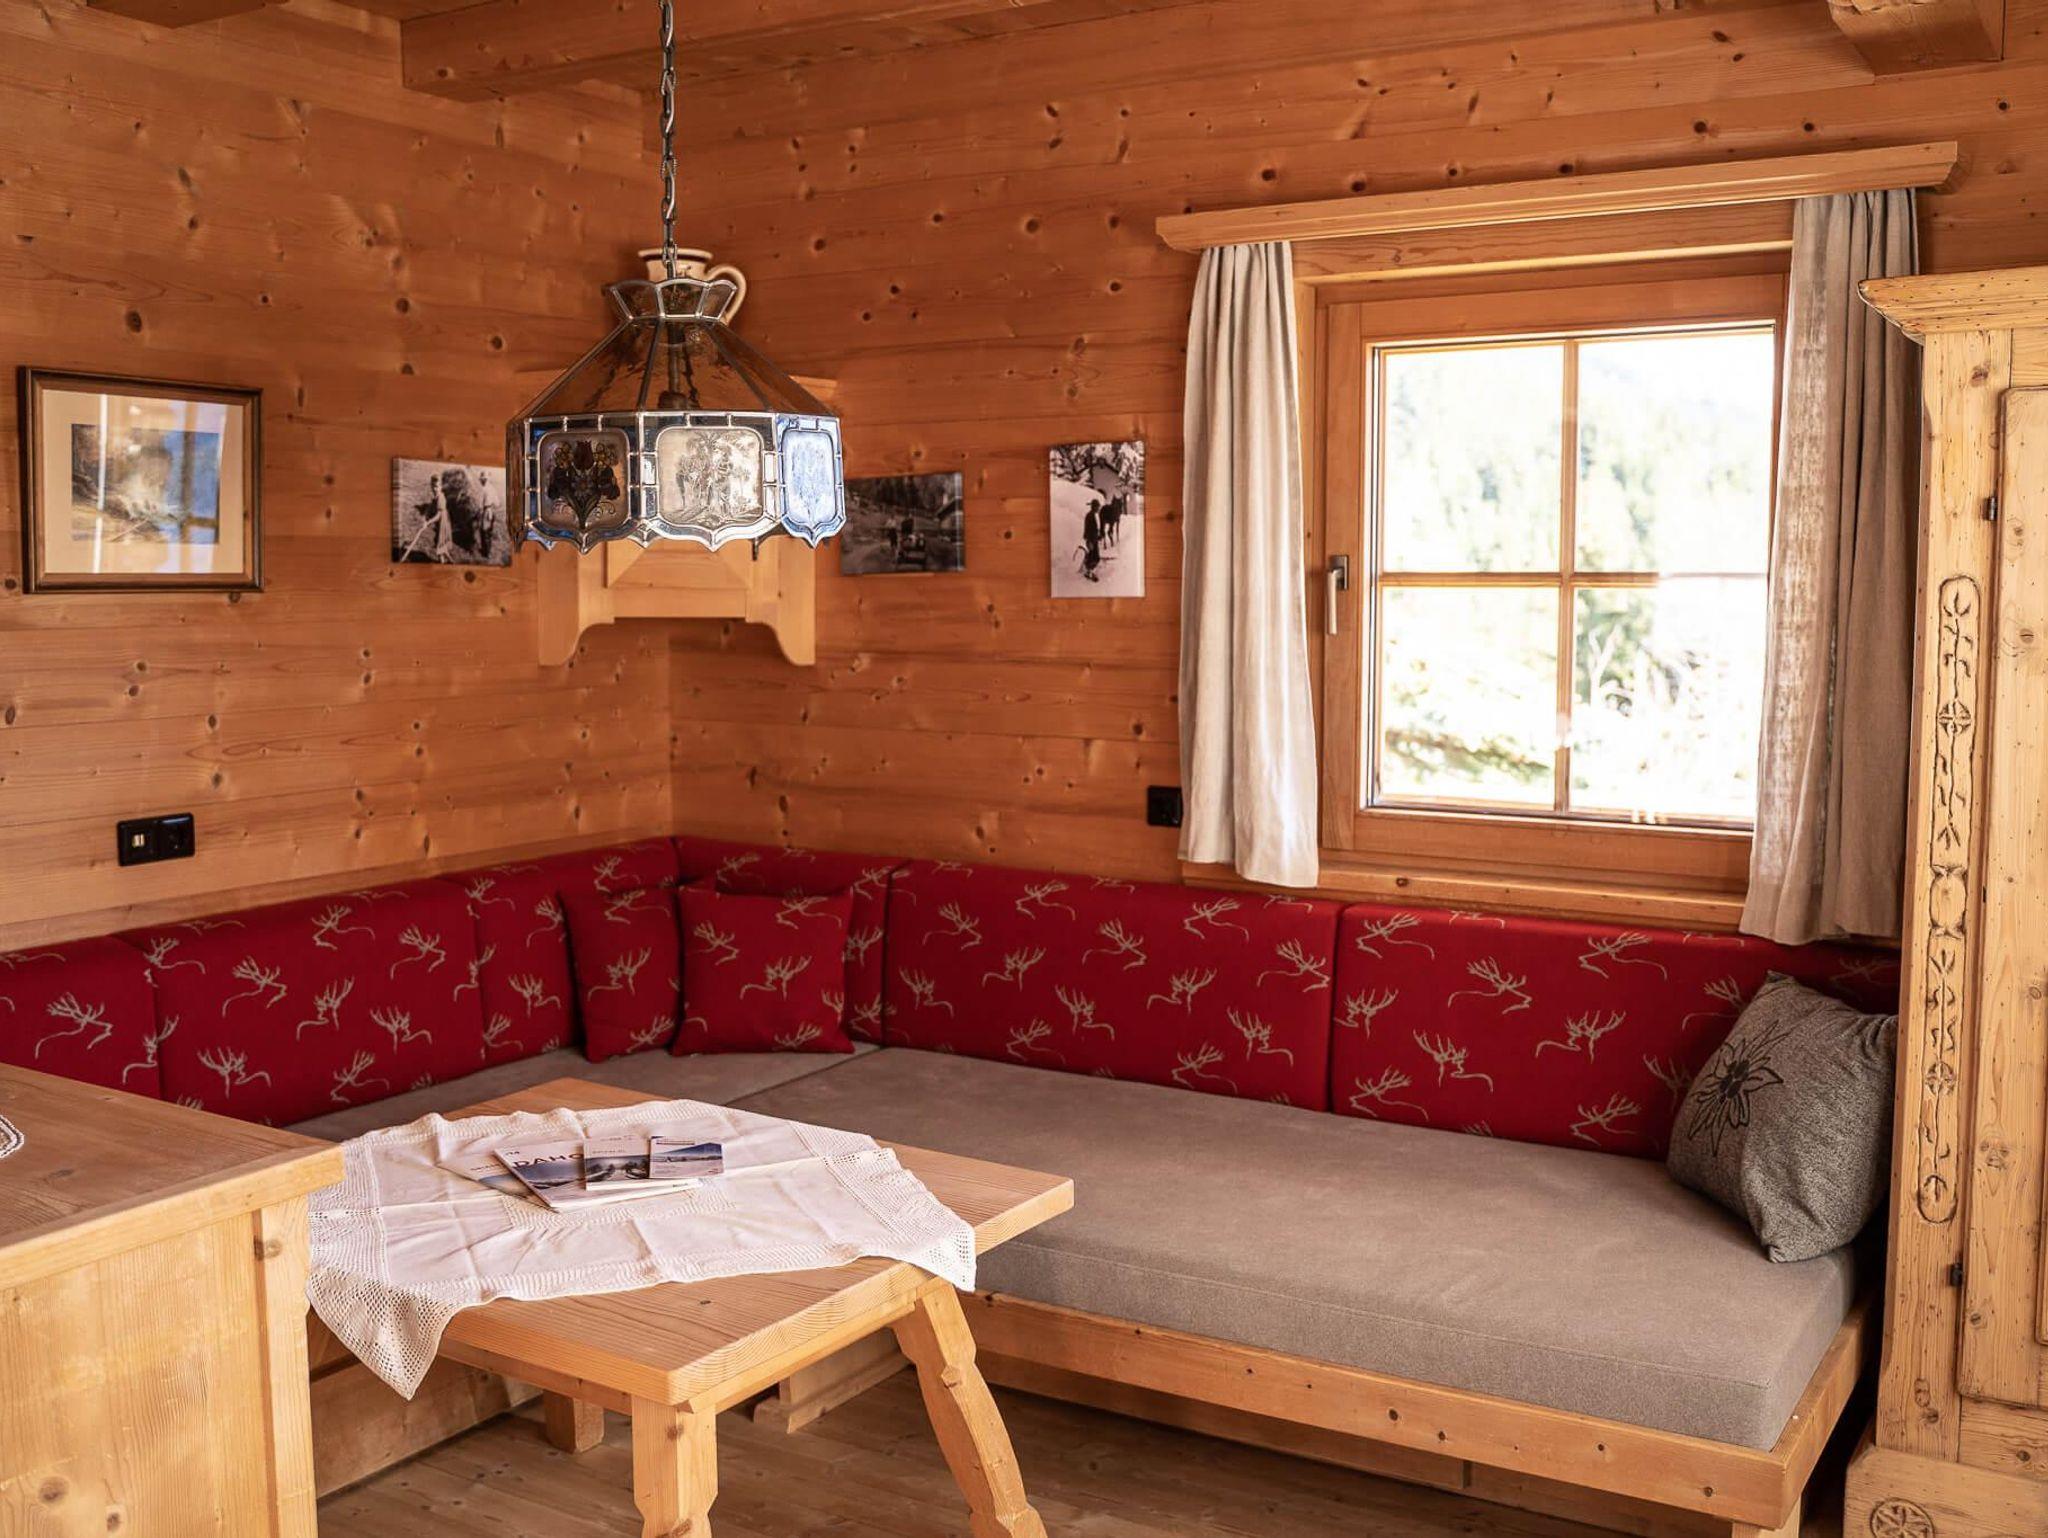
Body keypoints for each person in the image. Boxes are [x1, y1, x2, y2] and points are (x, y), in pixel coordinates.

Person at [1081, 496, 1103, 582]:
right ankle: (1089, 572)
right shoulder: (1089, 516)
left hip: (1093, 539)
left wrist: (1098, 536)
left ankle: (1089, 571)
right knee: (1095, 557)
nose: (1098, 508)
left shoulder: (1092, 515)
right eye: (1097, 506)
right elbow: (1088, 529)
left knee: (1093, 557)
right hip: (1091, 540)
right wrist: (1089, 541)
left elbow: (1093, 529)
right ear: (1094, 507)